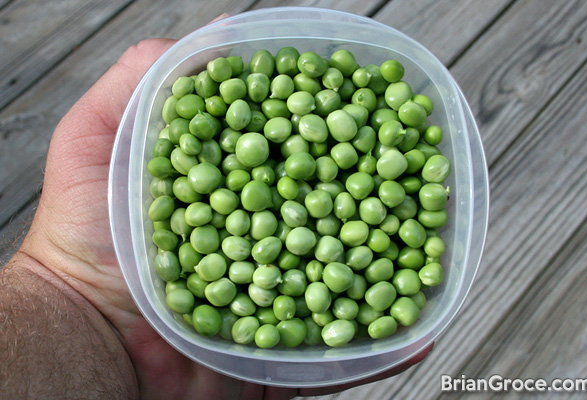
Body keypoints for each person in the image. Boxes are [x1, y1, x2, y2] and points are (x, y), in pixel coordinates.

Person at [0, 38, 431, 399]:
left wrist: (65, 287)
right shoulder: (224, 178)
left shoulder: (262, 155)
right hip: (250, 247)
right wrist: (71, 292)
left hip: (276, 234)